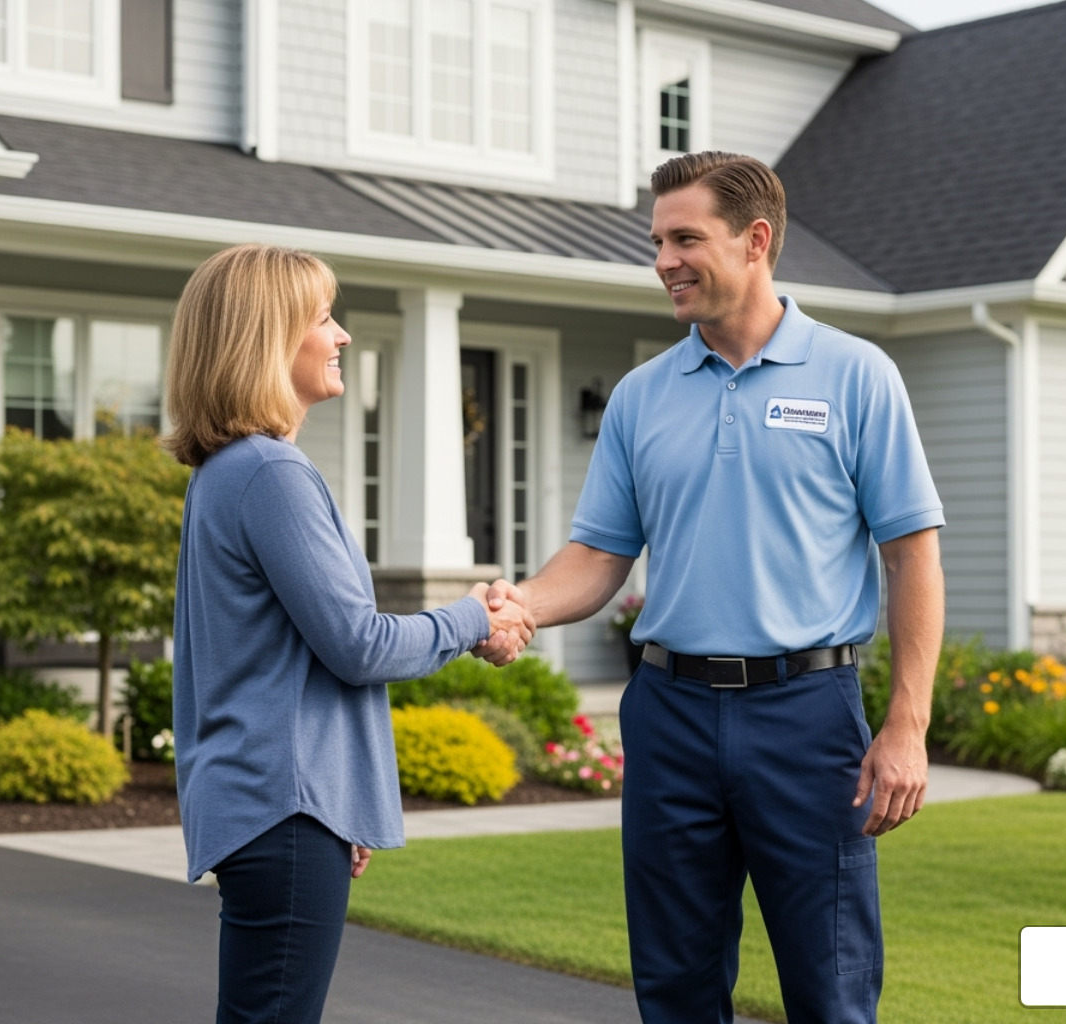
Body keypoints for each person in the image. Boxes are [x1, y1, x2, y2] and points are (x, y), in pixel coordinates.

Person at [487, 152, 945, 1024]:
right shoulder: (639, 397)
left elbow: (911, 556)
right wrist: (523, 607)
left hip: (808, 715)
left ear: (756, 240)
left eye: (685, 238)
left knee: (832, 990)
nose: (664, 261)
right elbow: (598, 555)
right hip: (671, 715)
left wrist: (907, 725)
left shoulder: (856, 376)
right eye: (657, 241)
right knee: (676, 989)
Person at [163, 243, 531, 1024]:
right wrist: (474, 616)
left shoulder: (228, 473)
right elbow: (358, 646)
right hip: (282, 806)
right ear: (267, 338)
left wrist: (346, 802)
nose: (342, 337)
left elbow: (285, 660)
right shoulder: (270, 474)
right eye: (323, 318)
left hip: (280, 805)